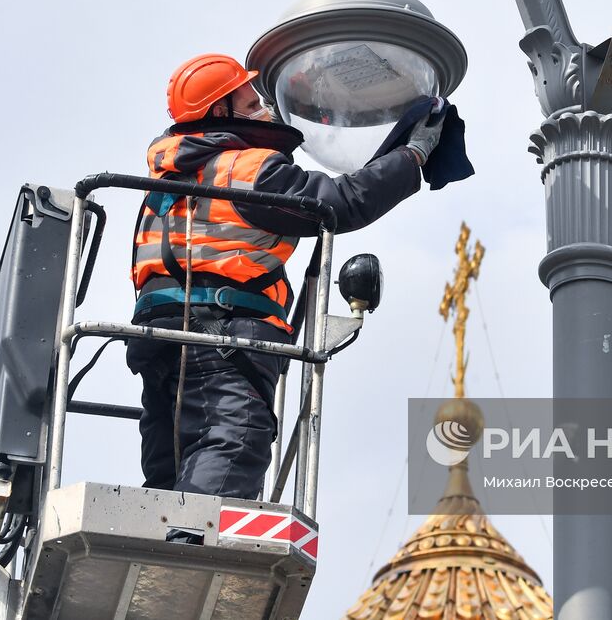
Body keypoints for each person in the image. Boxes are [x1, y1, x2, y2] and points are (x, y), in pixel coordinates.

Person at [126, 53, 442, 502]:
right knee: (233, 438)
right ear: (220, 112)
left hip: (155, 336)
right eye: (250, 102)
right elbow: (341, 202)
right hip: (223, 334)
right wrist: (413, 156)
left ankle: (161, 540)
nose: (265, 110)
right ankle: (191, 544)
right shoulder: (246, 168)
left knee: (170, 459)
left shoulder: (166, 180)